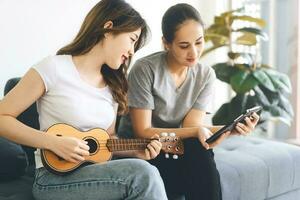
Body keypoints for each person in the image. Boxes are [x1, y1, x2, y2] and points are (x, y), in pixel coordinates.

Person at [0, 0, 168, 199]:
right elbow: (3, 116)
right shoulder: (53, 68)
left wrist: (134, 151)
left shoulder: (114, 86)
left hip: (95, 174)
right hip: (52, 179)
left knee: (143, 169)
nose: (132, 51)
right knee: (143, 175)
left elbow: (106, 140)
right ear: (108, 28)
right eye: (132, 39)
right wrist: (52, 142)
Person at [118, 3, 260, 200]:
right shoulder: (145, 70)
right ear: (166, 43)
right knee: (197, 154)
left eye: (199, 42)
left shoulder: (205, 75)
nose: (194, 52)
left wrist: (231, 130)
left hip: (176, 145)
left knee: (198, 150)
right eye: (184, 46)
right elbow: (143, 131)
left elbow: (191, 128)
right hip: (144, 148)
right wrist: (197, 133)